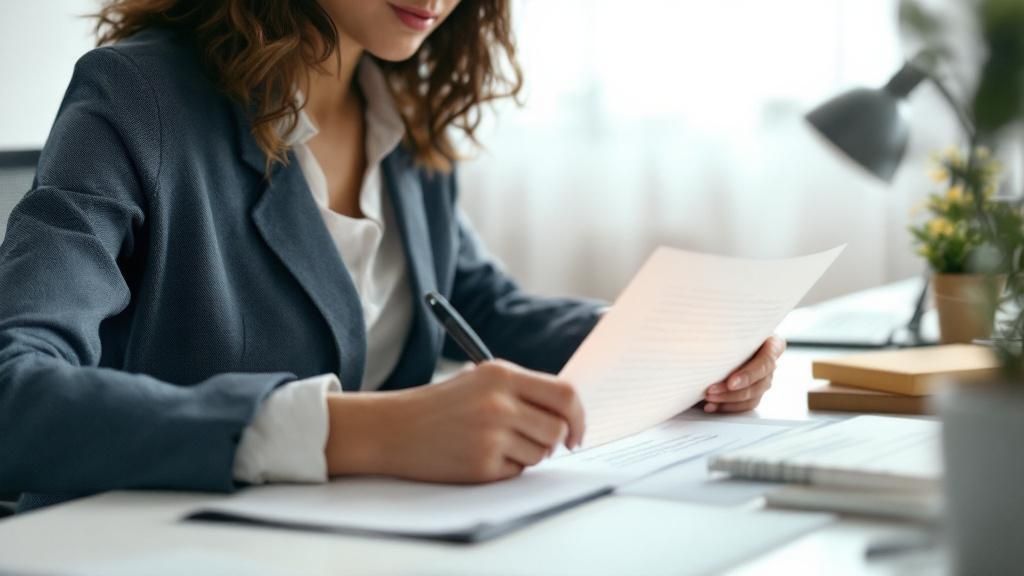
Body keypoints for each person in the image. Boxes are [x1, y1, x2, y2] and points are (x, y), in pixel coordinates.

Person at [0, 0, 784, 512]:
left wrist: (684, 345)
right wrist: (363, 432)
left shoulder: (397, 109)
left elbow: (479, 304)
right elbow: (14, 389)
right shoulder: (137, 96)